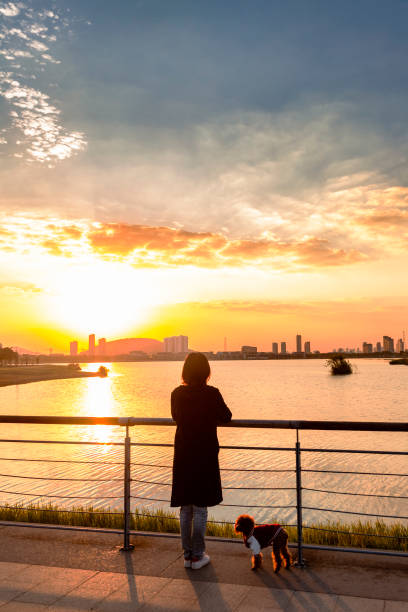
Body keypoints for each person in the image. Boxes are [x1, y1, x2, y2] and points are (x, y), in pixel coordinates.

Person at [170, 352, 232, 569]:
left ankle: (188, 556)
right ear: (206, 372)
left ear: (185, 371)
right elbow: (226, 416)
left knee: (186, 508)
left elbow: (176, 417)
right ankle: (198, 555)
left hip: (184, 453)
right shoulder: (211, 394)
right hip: (204, 454)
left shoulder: (177, 394)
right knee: (201, 506)